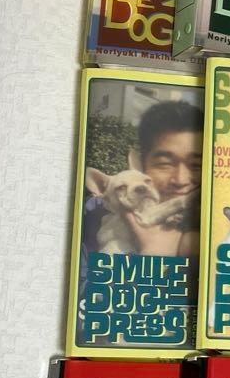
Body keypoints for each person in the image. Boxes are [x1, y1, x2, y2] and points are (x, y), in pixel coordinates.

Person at [83, 99, 203, 260]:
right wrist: (154, 252)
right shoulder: (92, 215)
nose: (181, 180)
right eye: (165, 164)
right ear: (142, 165)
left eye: (196, 165)